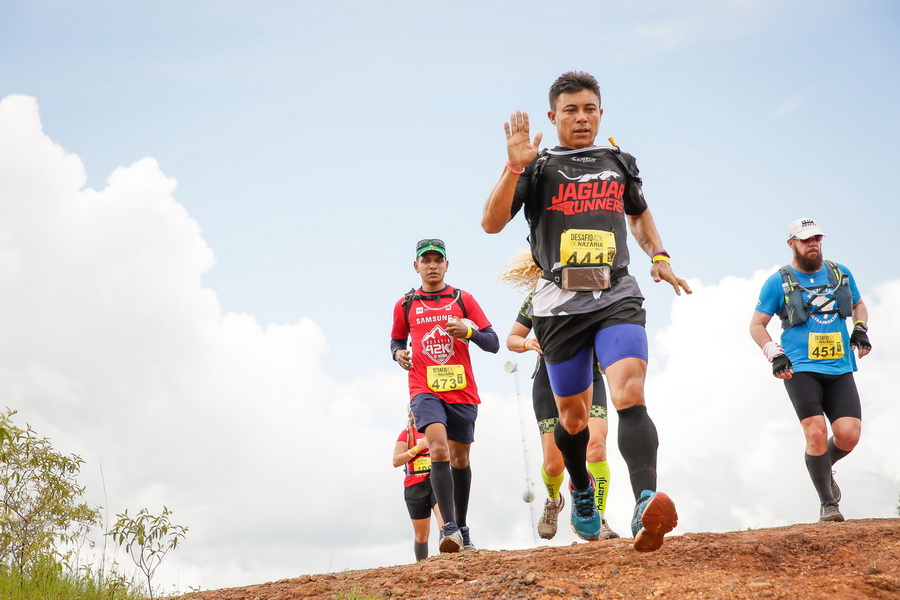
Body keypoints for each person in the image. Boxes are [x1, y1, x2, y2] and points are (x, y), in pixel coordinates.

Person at [482, 71, 690, 551]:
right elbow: (491, 224)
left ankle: (644, 502)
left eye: (589, 109)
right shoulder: (537, 167)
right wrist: (513, 168)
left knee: (630, 391)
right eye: (570, 110)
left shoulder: (618, 162)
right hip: (558, 307)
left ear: (601, 113)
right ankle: (580, 491)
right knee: (572, 422)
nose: (581, 118)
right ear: (553, 116)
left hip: (616, 294)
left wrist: (659, 256)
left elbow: (638, 214)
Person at [749, 218, 871, 523]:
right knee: (816, 432)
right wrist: (774, 354)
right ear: (792, 243)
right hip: (800, 367)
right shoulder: (778, 282)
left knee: (848, 435)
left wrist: (860, 329)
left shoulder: (839, 273)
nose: (813, 244)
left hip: (840, 366)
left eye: (817, 238)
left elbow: (859, 305)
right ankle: (828, 504)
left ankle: (822, 466)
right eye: (806, 240)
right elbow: (756, 325)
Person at [500, 251, 619, 540]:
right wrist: (529, 343)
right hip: (548, 378)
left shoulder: (598, 289)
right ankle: (553, 500)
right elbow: (511, 339)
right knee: (554, 462)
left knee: (597, 447)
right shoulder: (537, 296)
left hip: (591, 375)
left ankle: (597, 516)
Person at [390, 239, 500, 553]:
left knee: (460, 458)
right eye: (426, 260)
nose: (433, 265)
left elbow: (493, 343)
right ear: (417, 266)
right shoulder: (406, 304)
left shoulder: (463, 299)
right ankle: (448, 529)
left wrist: (468, 332)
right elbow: (396, 341)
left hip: (462, 391)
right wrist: (399, 354)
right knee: (438, 448)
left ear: (447, 265)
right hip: (424, 389)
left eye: (438, 260)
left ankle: (462, 528)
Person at [392, 410, 445, 561]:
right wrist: (417, 448)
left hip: (437, 481)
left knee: (444, 524)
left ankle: (447, 561)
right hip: (415, 486)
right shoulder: (407, 434)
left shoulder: (437, 430)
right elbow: (396, 461)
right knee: (422, 535)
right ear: (410, 415)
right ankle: (421, 566)